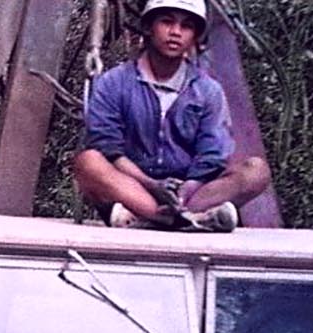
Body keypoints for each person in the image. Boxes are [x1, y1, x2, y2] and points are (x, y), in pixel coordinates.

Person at [71, 0, 271, 232]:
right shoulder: (114, 83)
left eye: (186, 26)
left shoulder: (207, 90)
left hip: (191, 192)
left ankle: (156, 218)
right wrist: (152, 185)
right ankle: (183, 219)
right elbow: (108, 148)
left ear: (195, 35)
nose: (175, 32)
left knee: (256, 171)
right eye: (167, 22)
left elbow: (213, 153)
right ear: (148, 27)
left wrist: (186, 189)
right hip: (134, 186)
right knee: (87, 162)